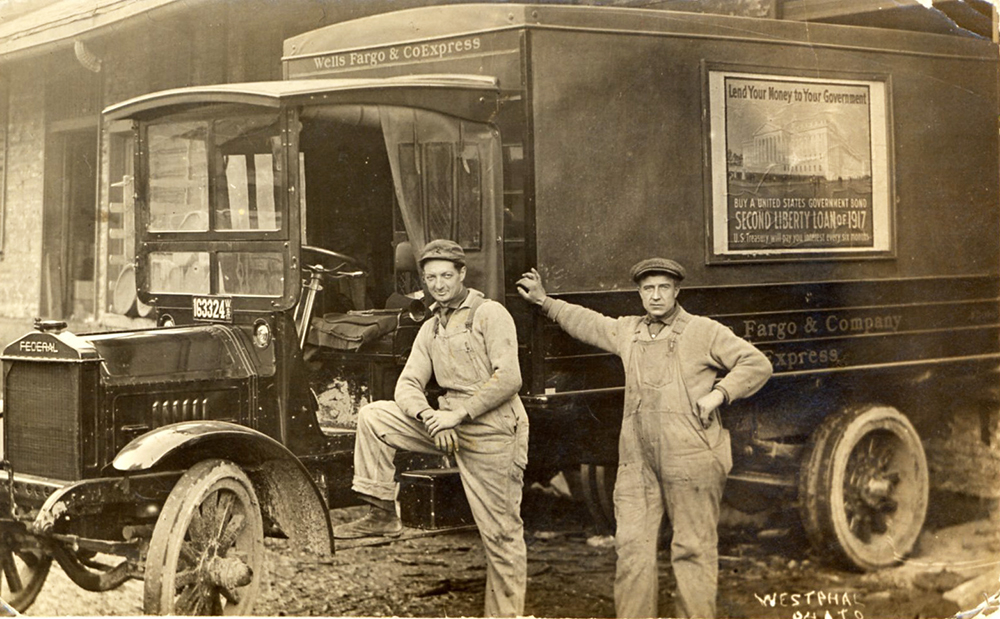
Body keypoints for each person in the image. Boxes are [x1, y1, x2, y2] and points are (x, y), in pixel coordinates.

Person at [517, 258, 772, 619]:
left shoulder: (703, 331)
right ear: (639, 293)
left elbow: (757, 363)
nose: (655, 296)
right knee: (632, 549)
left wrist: (720, 393)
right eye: (648, 288)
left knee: (693, 549)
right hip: (638, 461)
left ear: (676, 291)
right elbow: (588, 323)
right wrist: (545, 301)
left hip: (692, 456)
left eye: (663, 288)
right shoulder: (629, 331)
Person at [334, 239, 529, 618]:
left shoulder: (490, 314)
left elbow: (509, 379)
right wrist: (429, 416)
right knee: (375, 415)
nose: (438, 285)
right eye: (430, 278)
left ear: (462, 274)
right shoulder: (431, 327)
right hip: (446, 422)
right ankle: (381, 513)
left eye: (445, 276)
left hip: (494, 430)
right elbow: (406, 385)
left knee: (502, 535)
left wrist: (458, 415)